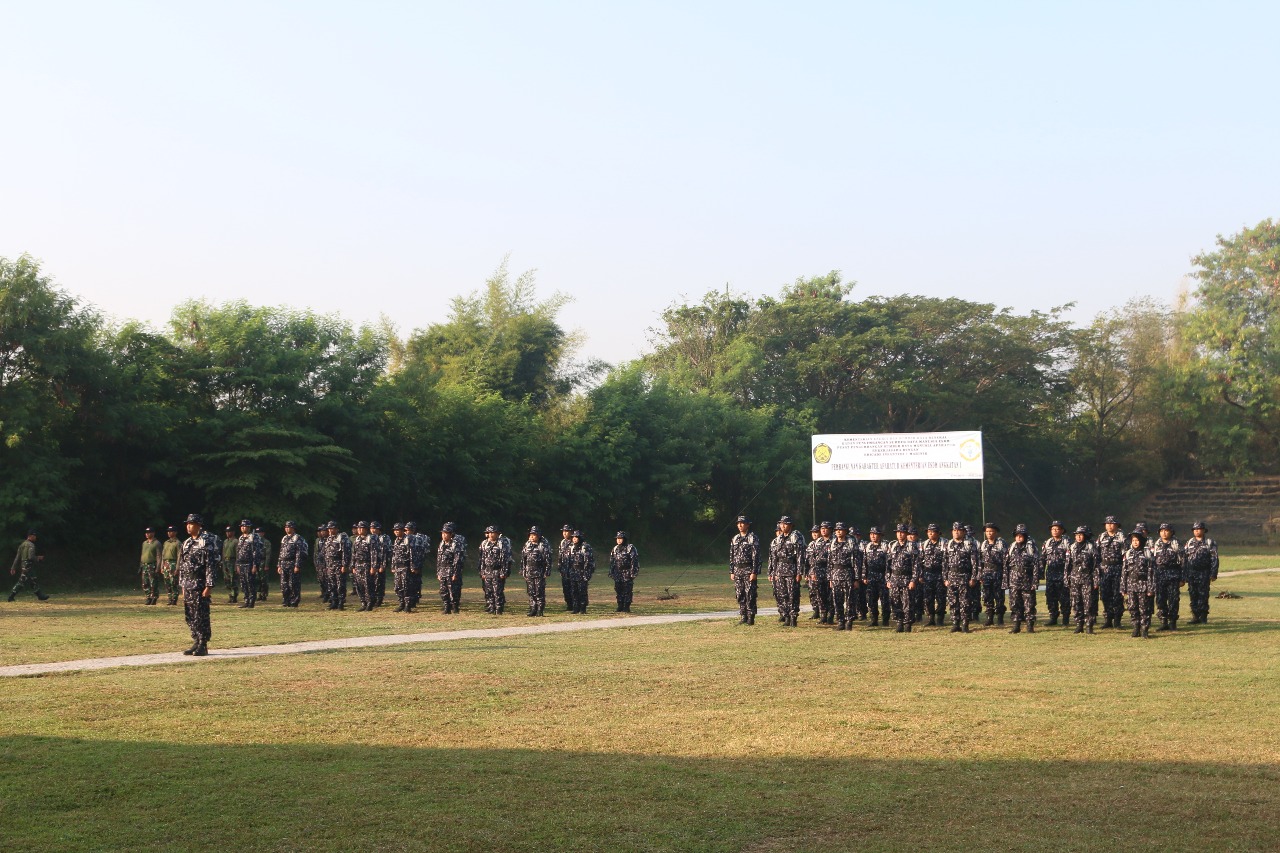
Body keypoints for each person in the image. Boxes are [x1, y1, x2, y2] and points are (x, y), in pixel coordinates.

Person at [178, 513, 216, 655]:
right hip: (188, 584)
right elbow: (182, 565)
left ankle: (203, 644)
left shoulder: (205, 542)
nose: (188, 526)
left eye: (191, 524)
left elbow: (210, 565)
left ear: (199, 525)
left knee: (201, 615)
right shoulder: (186, 543)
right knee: (190, 615)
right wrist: (182, 585)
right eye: (187, 524)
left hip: (200, 583)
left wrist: (209, 586)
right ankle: (196, 640)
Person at [1004, 524, 1040, 633]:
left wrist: (1035, 581)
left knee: (1029, 604)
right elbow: (1006, 565)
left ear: (1025, 536)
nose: (1019, 537)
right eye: (1017, 535)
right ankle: (1016, 626)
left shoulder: (1031, 548)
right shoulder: (1011, 547)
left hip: (1027, 580)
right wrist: (1005, 581)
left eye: (1021, 535)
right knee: (1014, 604)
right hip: (1014, 580)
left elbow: (1036, 565)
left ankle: (1030, 626)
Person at [942, 522, 978, 633]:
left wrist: (973, 578)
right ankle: (955, 624)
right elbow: (944, 563)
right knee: (953, 602)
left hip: (964, 577)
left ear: (963, 532)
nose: (956, 532)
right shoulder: (948, 544)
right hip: (951, 577)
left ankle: (965, 625)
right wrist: (945, 578)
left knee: (965, 602)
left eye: (959, 530)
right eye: (954, 530)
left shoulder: (969, 544)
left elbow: (975, 563)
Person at [770, 516, 805, 627]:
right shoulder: (778, 539)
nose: (783, 526)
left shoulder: (795, 537)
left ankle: (793, 617)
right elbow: (774, 557)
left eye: (785, 524)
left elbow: (800, 556)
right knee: (782, 594)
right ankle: (786, 617)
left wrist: (799, 572)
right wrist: (774, 572)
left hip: (791, 570)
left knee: (793, 595)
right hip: (780, 571)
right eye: (781, 524)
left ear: (790, 525)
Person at [1183, 521, 1219, 624]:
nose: (1197, 531)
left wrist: (1213, 573)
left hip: (1204, 572)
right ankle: (1195, 616)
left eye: (1199, 529)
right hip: (1191, 573)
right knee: (1193, 594)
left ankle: (1203, 616)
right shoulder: (1189, 542)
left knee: (1203, 594)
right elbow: (1184, 558)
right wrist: (1184, 573)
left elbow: (1214, 558)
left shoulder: (1209, 542)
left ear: (1203, 530)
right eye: (1195, 529)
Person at [887, 523, 921, 632]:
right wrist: (888, 579)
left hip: (907, 578)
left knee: (908, 603)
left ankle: (907, 624)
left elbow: (916, 565)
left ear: (906, 534)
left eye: (902, 532)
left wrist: (913, 580)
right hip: (894, 578)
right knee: (895, 601)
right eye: (898, 532)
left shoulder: (911, 546)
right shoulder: (892, 546)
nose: (900, 534)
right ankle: (899, 623)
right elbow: (888, 564)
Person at [1152, 523, 1186, 631]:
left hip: (1173, 575)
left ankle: (1172, 622)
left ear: (1171, 532)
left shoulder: (1176, 544)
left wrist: (1182, 578)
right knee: (1160, 599)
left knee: (1173, 599)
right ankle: (1163, 622)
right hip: (1159, 576)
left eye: (1166, 530)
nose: (1164, 533)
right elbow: (1152, 562)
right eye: (1162, 531)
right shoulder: (1156, 544)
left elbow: (1183, 562)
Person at [1122, 529, 1155, 638]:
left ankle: (1144, 629)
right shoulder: (1128, 553)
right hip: (1131, 585)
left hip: (1144, 585)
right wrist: (1123, 587)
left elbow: (1151, 572)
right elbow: (1124, 571)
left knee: (1144, 608)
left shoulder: (1147, 553)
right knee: (1132, 607)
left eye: (1137, 540)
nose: (1135, 542)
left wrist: (1151, 588)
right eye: (1133, 540)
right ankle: (1136, 628)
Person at [1067, 526, 1099, 634]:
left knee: (1088, 603)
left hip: (1087, 579)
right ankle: (1079, 625)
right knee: (1076, 603)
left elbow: (1096, 566)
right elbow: (1068, 565)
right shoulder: (1072, 547)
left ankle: (1089, 625)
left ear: (1085, 536)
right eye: (1077, 535)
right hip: (1074, 579)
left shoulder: (1091, 547)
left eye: (1080, 535)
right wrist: (1066, 579)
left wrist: (1096, 580)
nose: (1078, 537)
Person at [728, 516, 760, 625]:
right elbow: (732, 556)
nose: (740, 525)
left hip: (748, 569)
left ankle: (751, 617)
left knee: (750, 594)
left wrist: (754, 572)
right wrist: (732, 571)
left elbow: (756, 556)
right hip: (737, 570)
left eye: (742, 523)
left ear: (747, 525)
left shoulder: (752, 538)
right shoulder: (735, 538)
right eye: (738, 523)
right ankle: (743, 616)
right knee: (740, 594)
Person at [1096, 516, 1127, 629]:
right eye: (1107, 523)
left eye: (1112, 523)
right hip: (1104, 569)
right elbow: (1097, 554)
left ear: (1117, 525)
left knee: (1117, 595)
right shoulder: (1101, 537)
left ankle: (1117, 621)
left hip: (1117, 568)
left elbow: (1125, 555)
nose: (1109, 525)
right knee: (1105, 595)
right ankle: (1108, 619)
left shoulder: (1121, 537)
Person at [828, 522, 857, 630]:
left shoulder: (851, 543)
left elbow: (856, 562)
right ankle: (840, 621)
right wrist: (830, 578)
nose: (838, 531)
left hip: (848, 574)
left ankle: (849, 621)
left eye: (841, 530)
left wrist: (856, 578)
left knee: (849, 600)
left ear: (845, 531)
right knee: (837, 600)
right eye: (837, 530)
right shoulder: (832, 543)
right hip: (835, 575)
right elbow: (829, 562)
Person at [860, 527, 891, 628]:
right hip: (871, 576)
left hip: (882, 576)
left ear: (880, 535)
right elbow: (864, 563)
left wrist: (888, 577)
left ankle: (885, 620)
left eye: (875, 534)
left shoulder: (885, 546)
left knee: (884, 599)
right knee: (871, 599)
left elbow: (889, 563)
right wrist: (864, 576)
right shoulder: (868, 546)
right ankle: (874, 620)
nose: (873, 536)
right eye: (871, 534)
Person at [478, 525, 513, 615]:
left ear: (497, 534)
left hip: (497, 570)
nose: (490, 535)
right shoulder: (485, 543)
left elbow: (505, 559)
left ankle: (498, 608)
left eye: (492, 533)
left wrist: (504, 571)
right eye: (489, 533)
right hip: (487, 570)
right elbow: (482, 558)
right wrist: (482, 571)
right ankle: (491, 607)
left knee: (497, 591)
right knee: (488, 590)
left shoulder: (502, 543)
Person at [977, 522, 1007, 627]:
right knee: (987, 596)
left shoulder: (1001, 543)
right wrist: (980, 575)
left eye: (991, 531)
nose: (989, 533)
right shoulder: (983, 544)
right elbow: (980, 561)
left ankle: (1000, 618)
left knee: (999, 597)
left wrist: (1005, 575)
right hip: (986, 574)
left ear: (996, 532)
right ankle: (989, 618)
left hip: (998, 573)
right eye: (987, 531)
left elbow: (1005, 560)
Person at [1042, 521, 1071, 626]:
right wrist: (1041, 572)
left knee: (1064, 598)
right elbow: (1043, 558)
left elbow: (1071, 558)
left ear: (1062, 530)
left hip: (1063, 574)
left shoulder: (1067, 542)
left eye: (1057, 529)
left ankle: (1065, 619)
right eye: (1053, 529)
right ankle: (1053, 618)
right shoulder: (1047, 542)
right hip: (1050, 574)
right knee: (1051, 597)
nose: (1054, 531)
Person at [8, 529, 49, 602]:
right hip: (28, 566)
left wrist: (13, 567)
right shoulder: (31, 545)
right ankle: (11, 596)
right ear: (30, 536)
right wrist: (38, 558)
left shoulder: (22, 545)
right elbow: (31, 557)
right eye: (34, 536)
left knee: (33, 580)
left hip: (24, 565)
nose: (35, 537)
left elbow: (17, 557)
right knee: (22, 581)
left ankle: (40, 595)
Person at [521, 526, 552, 617]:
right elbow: (523, 559)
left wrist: (547, 571)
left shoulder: (543, 545)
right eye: (530, 535)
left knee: (539, 592)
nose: (531, 537)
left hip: (539, 572)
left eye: (534, 535)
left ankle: (540, 610)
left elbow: (548, 560)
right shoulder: (527, 545)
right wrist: (523, 571)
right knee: (531, 592)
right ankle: (532, 609)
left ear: (538, 536)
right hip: (529, 572)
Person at [918, 523, 946, 627]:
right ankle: (931, 618)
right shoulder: (924, 544)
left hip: (940, 574)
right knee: (928, 598)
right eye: (928, 532)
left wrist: (946, 576)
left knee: (941, 597)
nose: (930, 533)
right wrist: (920, 575)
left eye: (933, 531)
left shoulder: (945, 543)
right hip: (928, 575)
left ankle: (940, 618)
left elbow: (948, 561)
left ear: (938, 533)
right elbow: (920, 561)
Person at [805, 522, 833, 623]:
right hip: (819, 571)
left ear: (830, 530)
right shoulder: (818, 542)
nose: (823, 530)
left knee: (831, 595)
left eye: (826, 528)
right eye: (822, 528)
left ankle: (831, 616)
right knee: (820, 594)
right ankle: (823, 615)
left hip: (830, 571)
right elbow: (812, 558)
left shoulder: (834, 541)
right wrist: (812, 572)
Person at [350, 521, 381, 611]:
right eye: (358, 528)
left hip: (367, 564)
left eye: (361, 528)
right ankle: (363, 603)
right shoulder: (357, 539)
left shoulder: (371, 538)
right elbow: (354, 553)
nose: (359, 530)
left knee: (368, 585)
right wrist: (353, 566)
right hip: (358, 565)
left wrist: (373, 567)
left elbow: (374, 553)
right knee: (359, 585)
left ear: (366, 529)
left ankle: (370, 603)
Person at [277, 521, 308, 608]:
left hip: (292, 563)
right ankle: (286, 600)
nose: (287, 529)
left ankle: (294, 601)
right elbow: (281, 552)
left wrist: (297, 565)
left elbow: (299, 553)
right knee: (284, 584)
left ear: (293, 528)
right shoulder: (284, 538)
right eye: (286, 527)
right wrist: (279, 565)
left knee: (293, 584)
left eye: (289, 527)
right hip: (284, 563)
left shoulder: (297, 538)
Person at [234, 520, 264, 608]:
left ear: (249, 527)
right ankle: (246, 600)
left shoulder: (254, 537)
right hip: (241, 563)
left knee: (250, 583)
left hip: (249, 563)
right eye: (242, 526)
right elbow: (238, 552)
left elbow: (256, 551)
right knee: (243, 583)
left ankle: (251, 601)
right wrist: (237, 564)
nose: (243, 528)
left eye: (245, 526)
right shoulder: (241, 538)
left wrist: (255, 565)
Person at [437, 522, 465, 613]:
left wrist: (456, 573)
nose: (444, 535)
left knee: (453, 590)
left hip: (451, 570)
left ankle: (455, 607)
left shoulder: (455, 544)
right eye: (442, 533)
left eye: (446, 533)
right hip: (443, 570)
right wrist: (438, 572)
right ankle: (446, 607)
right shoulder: (442, 544)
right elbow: (439, 559)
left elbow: (457, 559)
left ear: (451, 534)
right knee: (443, 590)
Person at [609, 531, 640, 612]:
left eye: (620, 538)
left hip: (627, 572)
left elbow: (634, 561)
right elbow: (612, 561)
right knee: (618, 589)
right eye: (617, 538)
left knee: (627, 590)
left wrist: (633, 573)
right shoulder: (615, 548)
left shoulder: (630, 548)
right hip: (618, 572)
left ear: (624, 539)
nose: (619, 540)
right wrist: (611, 571)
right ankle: (620, 605)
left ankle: (626, 606)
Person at [324, 520, 352, 610]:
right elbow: (326, 553)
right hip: (330, 564)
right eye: (329, 529)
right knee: (332, 584)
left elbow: (345, 552)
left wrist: (344, 565)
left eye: (332, 528)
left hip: (339, 563)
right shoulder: (329, 539)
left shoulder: (342, 538)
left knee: (340, 584)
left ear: (336, 529)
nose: (330, 530)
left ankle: (341, 602)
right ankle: (334, 602)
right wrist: (327, 565)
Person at [567, 530, 595, 614]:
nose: (574, 539)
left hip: (582, 572)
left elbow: (588, 561)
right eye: (573, 537)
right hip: (573, 572)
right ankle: (576, 608)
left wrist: (587, 573)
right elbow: (569, 560)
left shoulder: (585, 547)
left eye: (576, 537)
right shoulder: (571, 547)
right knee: (574, 591)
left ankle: (583, 608)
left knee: (582, 591)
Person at [405, 521, 429, 610]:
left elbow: (425, 550)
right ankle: (412, 599)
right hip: (408, 564)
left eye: (407, 530)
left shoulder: (421, 537)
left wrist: (418, 563)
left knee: (416, 581)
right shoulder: (406, 538)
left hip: (418, 563)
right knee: (410, 582)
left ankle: (415, 598)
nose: (405, 532)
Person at [139, 527, 162, 605]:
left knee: (153, 582)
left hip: (152, 565)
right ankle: (148, 597)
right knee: (145, 582)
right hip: (144, 565)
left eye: (149, 533)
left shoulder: (157, 543)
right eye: (146, 533)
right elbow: (142, 554)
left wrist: (158, 567)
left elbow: (159, 556)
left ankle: (154, 597)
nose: (147, 534)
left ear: (153, 533)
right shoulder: (144, 543)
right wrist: (141, 565)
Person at [161, 525, 182, 606]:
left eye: (171, 531)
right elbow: (163, 555)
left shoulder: (178, 543)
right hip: (166, 563)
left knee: (174, 582)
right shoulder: (166, 543)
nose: (169, 533)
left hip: (173, 563)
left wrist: (177, 568)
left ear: (175, 532)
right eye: (168, 531)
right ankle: (170, 598)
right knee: (167, 583)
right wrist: (162, 566)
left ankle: (174, 598)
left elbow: (179, 556)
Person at [371, 521, 390, 607]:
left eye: (375, 528)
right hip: (372, 564)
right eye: (372, 528)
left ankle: (379, 599)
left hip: (380, 563)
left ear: (379, 529)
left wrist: (383, 565)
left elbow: (385, 552)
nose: (373, 530)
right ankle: (373, 598)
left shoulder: (384, 538)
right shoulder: (370, 538)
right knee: (372, 582)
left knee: (379, 582)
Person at [558, 525, 575, 610]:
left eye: (566, 531)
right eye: (563, 531)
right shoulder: (562, 542)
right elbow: (560, 556)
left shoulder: (575, 541)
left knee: (573, 587)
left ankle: (576, 605)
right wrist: (560, 567)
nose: (564, 533)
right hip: (564, 569)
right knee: (566, 588)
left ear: (571, 532)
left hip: (573, 569)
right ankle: (569, 605)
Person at [222, 525, 239, 603]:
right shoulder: (225, 541)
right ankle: (230, 595)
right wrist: (223, 562)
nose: (228, 533)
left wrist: (236, 564)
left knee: (233, 579)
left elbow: (237, 554)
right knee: (227, 579)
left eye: (229, 532)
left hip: (232, 561)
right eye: (227, 532)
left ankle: (234, 596)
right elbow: (223, 552)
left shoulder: (236, 541)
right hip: (226, 561)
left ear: (233, 532)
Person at [314, 524, 330, 604]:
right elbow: (316, 552)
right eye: (321, 531)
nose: (322, 532)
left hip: (327, 563)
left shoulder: (329, 539)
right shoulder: (319, 540)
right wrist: (316, 563)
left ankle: (328, 595)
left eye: (324, 531)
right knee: (322, 579)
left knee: (328, 580)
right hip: (320, 563)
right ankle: (324, 593)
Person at [255, 527, 272, 601]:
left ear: (263, 533)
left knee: (263, 579)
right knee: (256, 579)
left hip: (263, 561)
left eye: (259, 533)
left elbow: (268, 554)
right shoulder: (254, 542)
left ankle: (264, 594)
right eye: (257, 533)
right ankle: (258, 594)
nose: (258, 534)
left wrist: (266, 565)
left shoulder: (266, 542)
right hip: (256, 562)